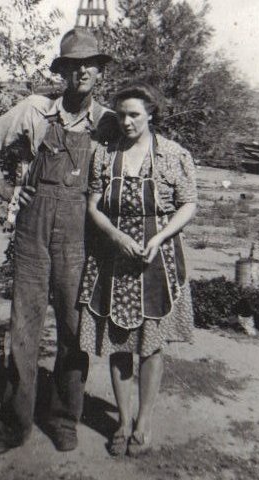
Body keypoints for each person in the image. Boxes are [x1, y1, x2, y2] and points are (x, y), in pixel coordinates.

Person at [0, 29, 117, 456]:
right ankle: (14, 426)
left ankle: (65, 418)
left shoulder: (108, 122)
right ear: (64, 72)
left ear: (99, 72)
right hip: (34, 232)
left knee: (74, 331)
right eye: (74, 65)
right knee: (24, 329)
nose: (82, 72)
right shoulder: (36, 111)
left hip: (80, 236)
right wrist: (2, 188)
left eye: (90, 64)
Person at [79, 81, 197, 457]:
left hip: (155, 259)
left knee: (150, 344)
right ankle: (122, 421)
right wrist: (115, 237)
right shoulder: (104, 154)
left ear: (150, 115)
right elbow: (93, 206)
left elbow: (188, 204)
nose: (127, 122)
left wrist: (160, 237)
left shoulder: (173, 155)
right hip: (113, 257)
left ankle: (144, 422)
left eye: (135, 114)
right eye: (122, 114)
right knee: (118, 343)